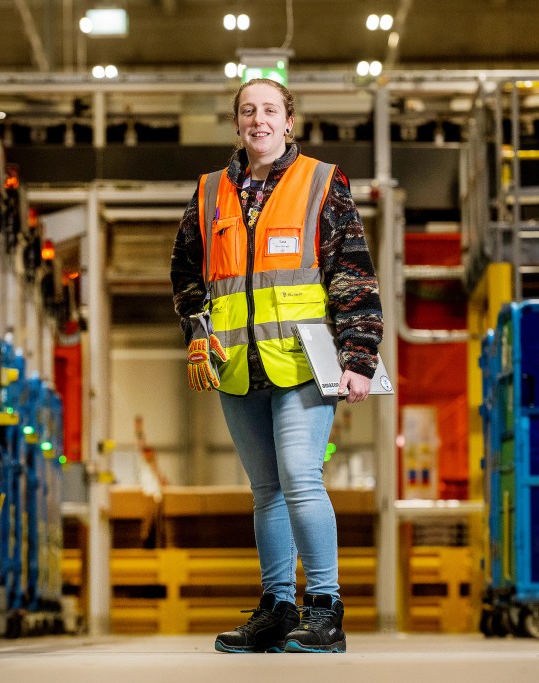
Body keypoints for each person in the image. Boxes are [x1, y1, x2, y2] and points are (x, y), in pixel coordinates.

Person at [170, 78, 383, 654]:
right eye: (247, 111)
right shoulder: (211, 191)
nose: (258, 120)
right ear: (237, 123)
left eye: (269, 110)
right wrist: (197, 330)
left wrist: (360, 356)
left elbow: (353, 272)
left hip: (303, 363)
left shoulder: (320, 181)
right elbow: (187, 271)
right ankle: (278, 607)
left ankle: (325, 608)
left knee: (299, 475)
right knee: (265, 489)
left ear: (288, 121)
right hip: (237, 363)